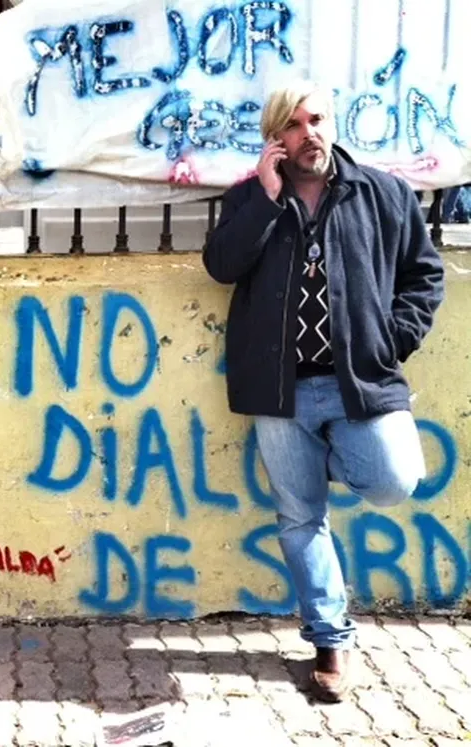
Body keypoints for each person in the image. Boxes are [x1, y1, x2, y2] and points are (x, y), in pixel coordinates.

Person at [202, 81, 445, 704]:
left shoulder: (381, 193)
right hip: (279, 389)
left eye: (317, 119)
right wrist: (266, 198)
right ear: (276, 139)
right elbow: (222, 265)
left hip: (360, 383)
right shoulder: (248, 200)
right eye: (294, 124)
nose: (309, 131)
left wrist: (392, 341)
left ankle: (336, 449)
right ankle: (329, 642)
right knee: (300, 517)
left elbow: (424, 275)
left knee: (395, 479)